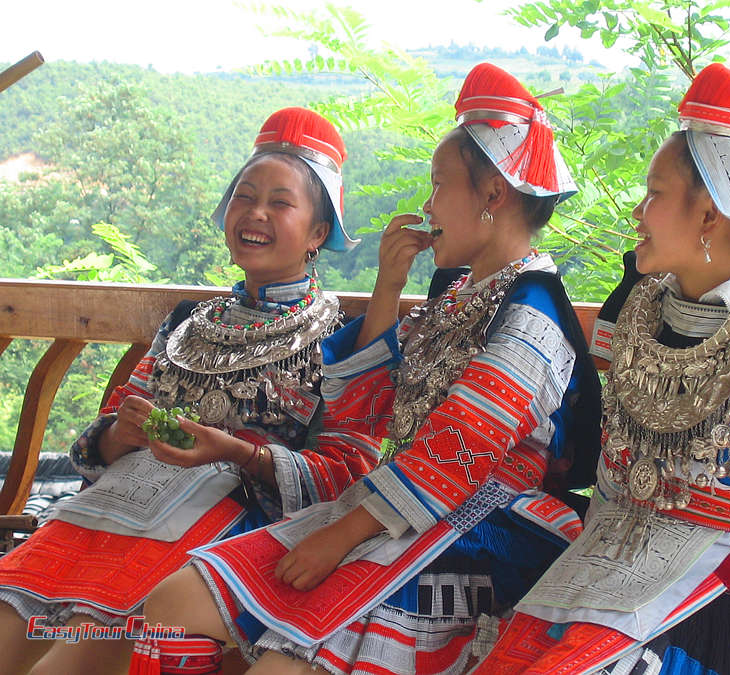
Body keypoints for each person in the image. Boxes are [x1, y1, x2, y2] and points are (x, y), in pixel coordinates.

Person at [129, 62, 602, 675]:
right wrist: (388, 282)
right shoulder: (459, 291)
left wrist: (339, 535)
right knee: (172, 606)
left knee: (282, 662)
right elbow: (368, 411)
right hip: (394, 506)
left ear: (493, 195)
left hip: (484, 527)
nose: (428, 204)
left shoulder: (532, 312)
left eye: (438, 186)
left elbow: (454, 452)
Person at [470, 63, 730, 675]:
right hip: (598, 577)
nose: (638, 212)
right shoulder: (631, 310)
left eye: (655, 195)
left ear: (709, 218)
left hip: (728, 604)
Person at [0, 106, 379, 675]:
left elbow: (347, 474)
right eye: (244, 197)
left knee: (65, 661)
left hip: (222, 530)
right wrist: (120, 433)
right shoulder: (186, 321)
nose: (254, 213)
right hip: (108, 512)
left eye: (280, 202)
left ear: (318, 234)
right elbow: (97, 442)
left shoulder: (340, 342)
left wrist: (236, 453)